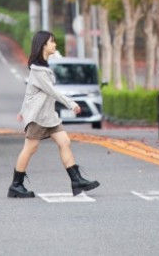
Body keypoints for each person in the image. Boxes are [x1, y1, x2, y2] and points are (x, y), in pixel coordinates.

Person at [8, 30, 100, 198]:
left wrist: (22, 110)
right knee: (30, 148)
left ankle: (76, 180)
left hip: (49, 116)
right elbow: (52, 92)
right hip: (38, 116)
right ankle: (16, 185)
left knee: (64, 141)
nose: (55, 44)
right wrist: (71, 104)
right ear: (43, 44)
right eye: (52, 42)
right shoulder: (38, 71)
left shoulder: (44, 67)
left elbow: (30, 92)